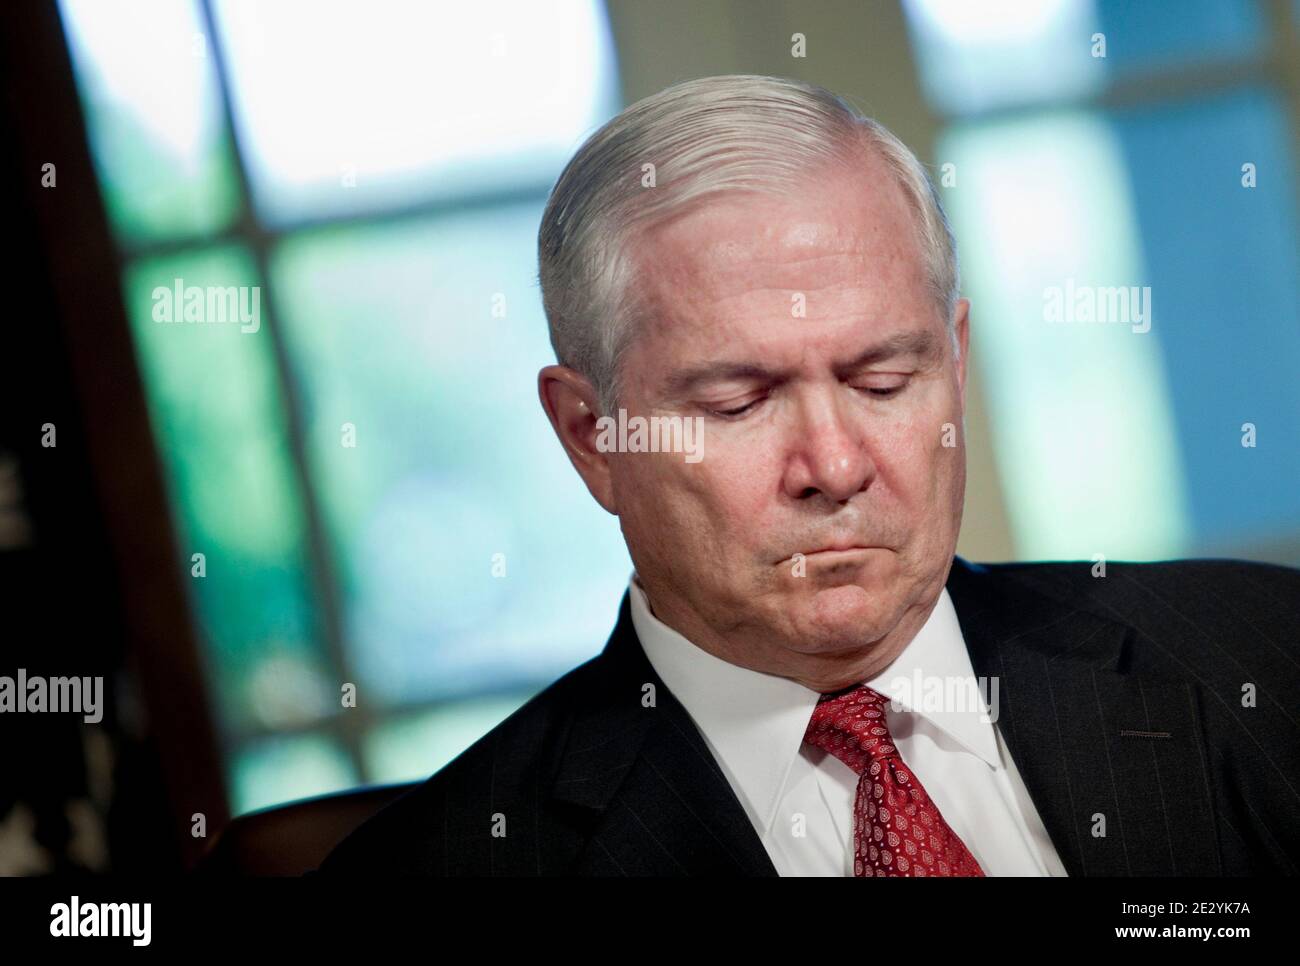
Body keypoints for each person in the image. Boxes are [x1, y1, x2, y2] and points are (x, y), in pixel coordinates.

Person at [318, 74, 1300, 876]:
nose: (834, 466)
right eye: (737, 404)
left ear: (955, 367)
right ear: (590, 435)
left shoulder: (1269, 661)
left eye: (882, 380)